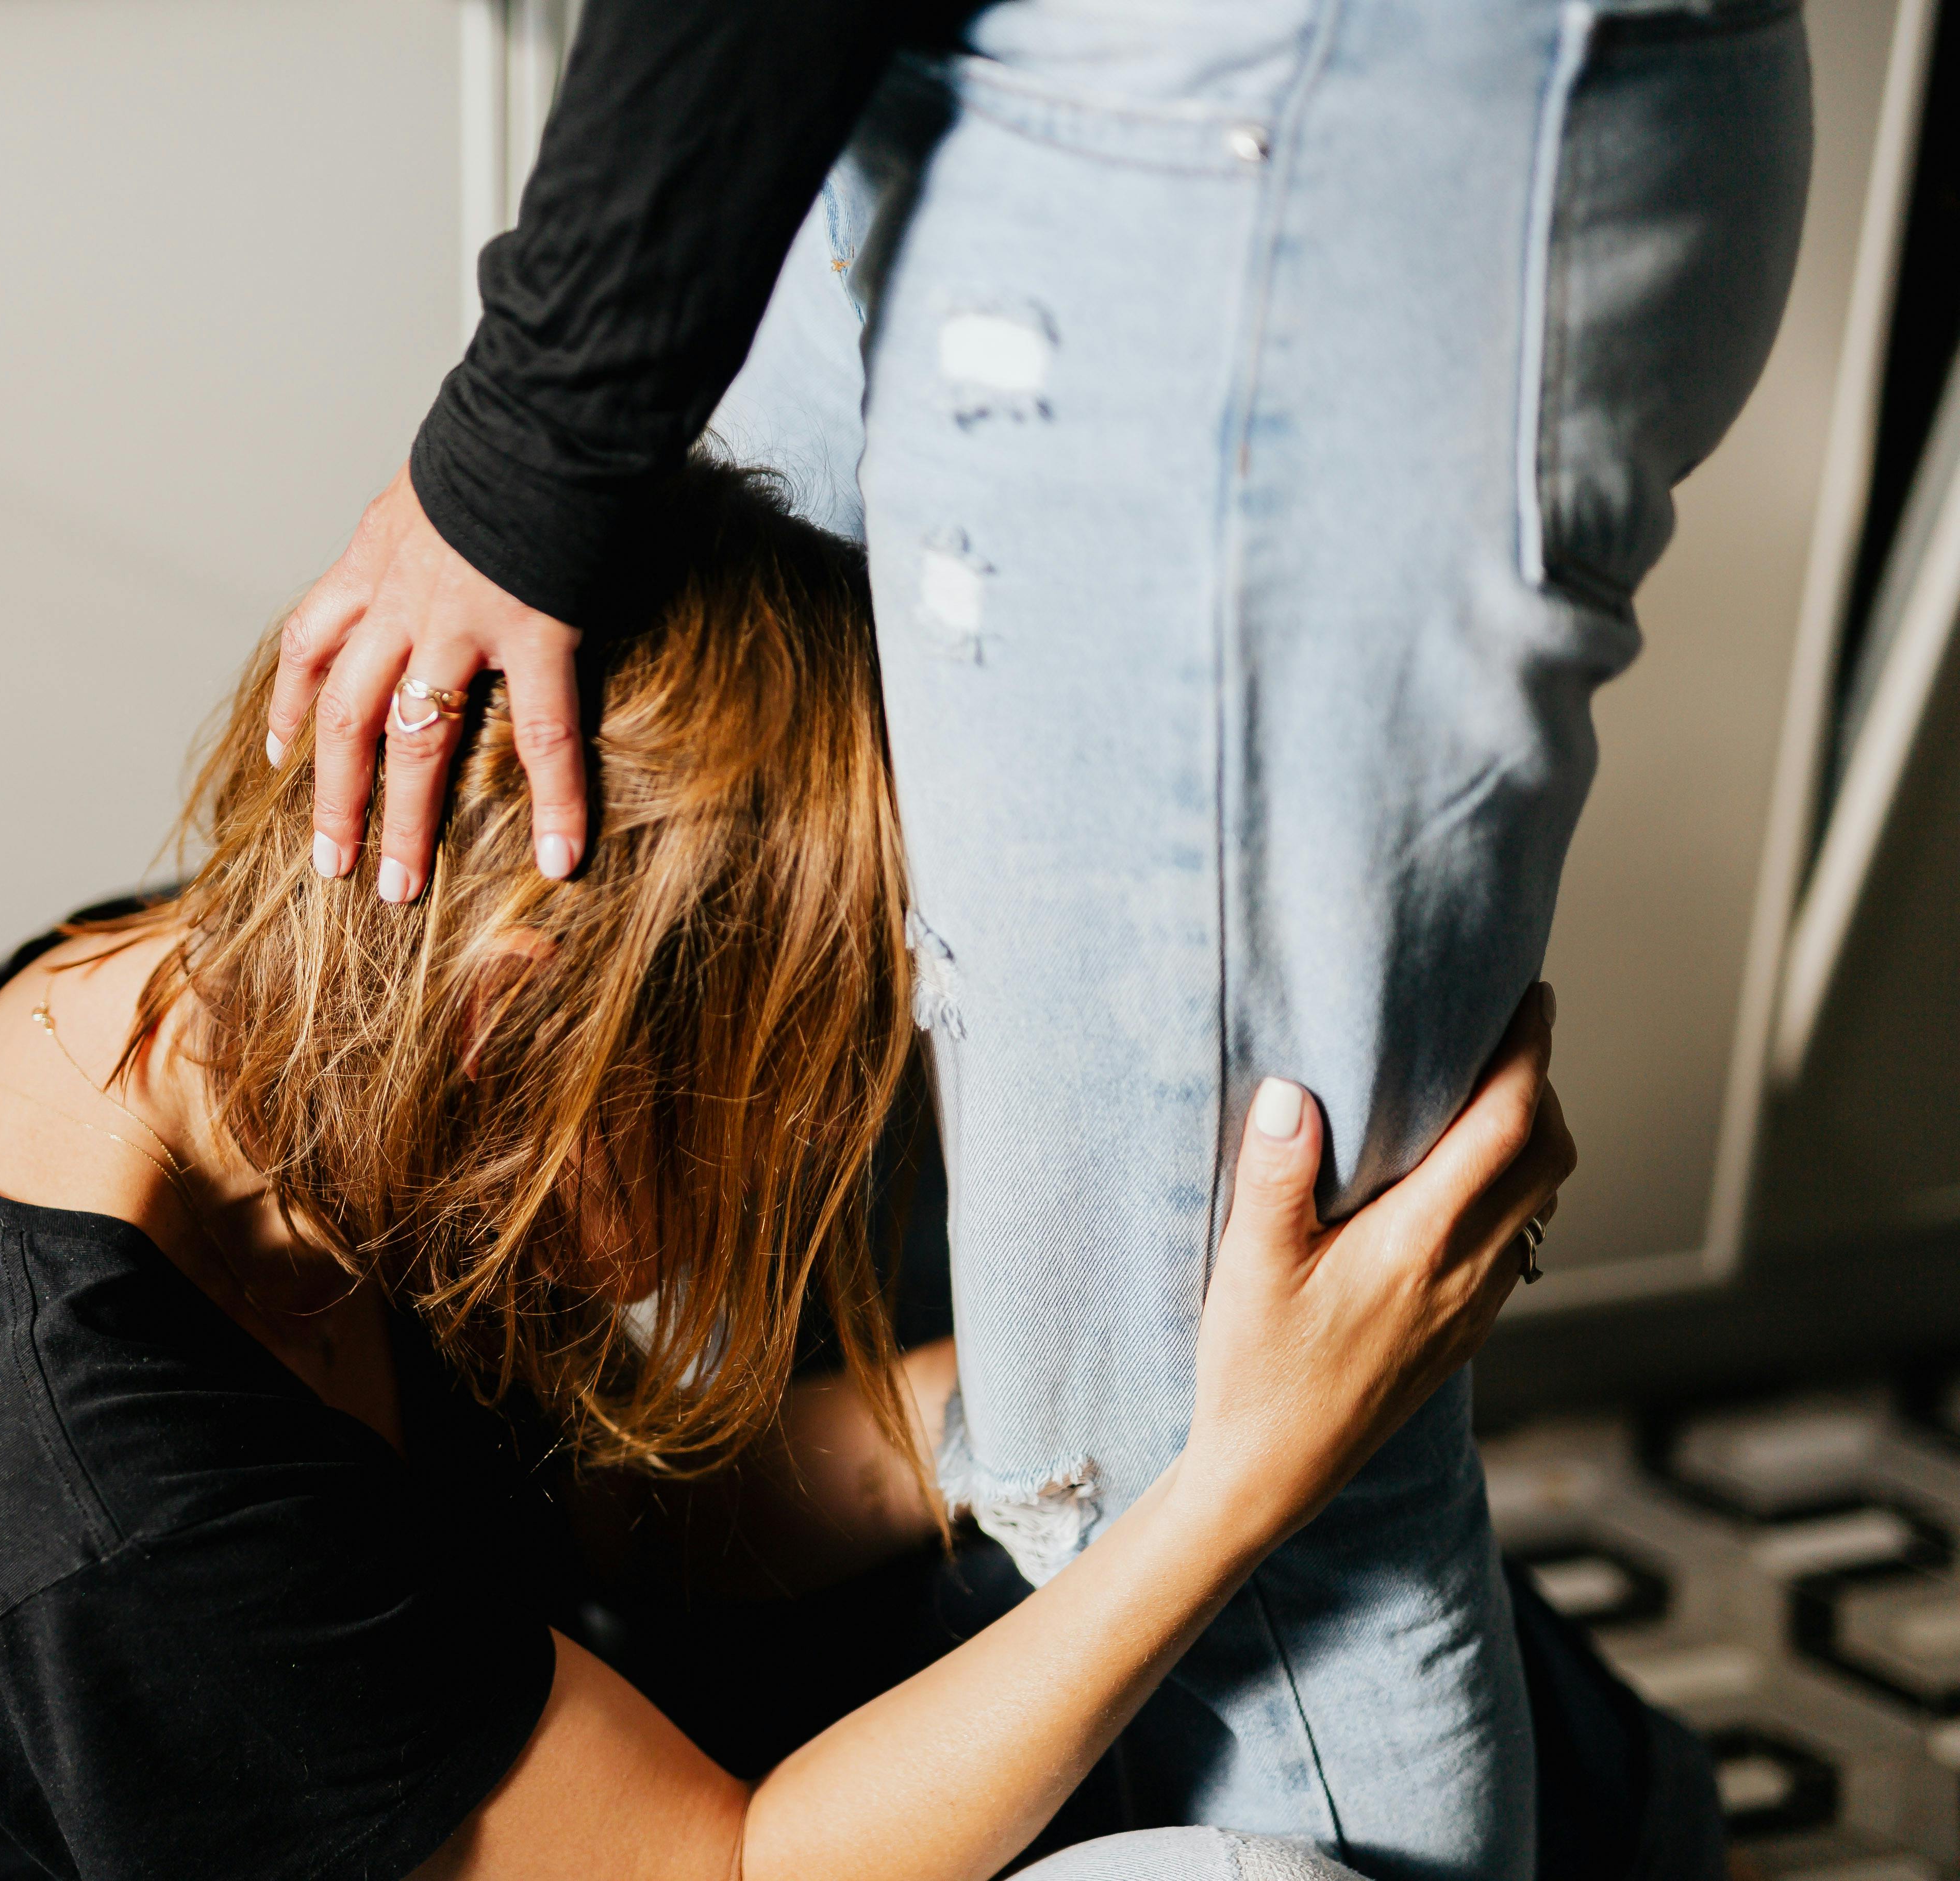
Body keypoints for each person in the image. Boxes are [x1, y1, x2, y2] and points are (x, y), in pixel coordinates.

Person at [265, 3, 1810, 1874]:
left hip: (1236, 116)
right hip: (871, 84)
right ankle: (1619, 1818)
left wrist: (533, 426)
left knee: (1235, 1435)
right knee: (899, 1209)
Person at [0, 464, 1581, 1880]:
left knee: (1383, 1615)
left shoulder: (268, 1002)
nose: (812, 1144)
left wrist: (1121, 1398)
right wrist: (1242, 1478)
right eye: (782, 1080)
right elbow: (725, 1866)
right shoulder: (106, 1535)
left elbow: (615, 1516)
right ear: (520, 1026)